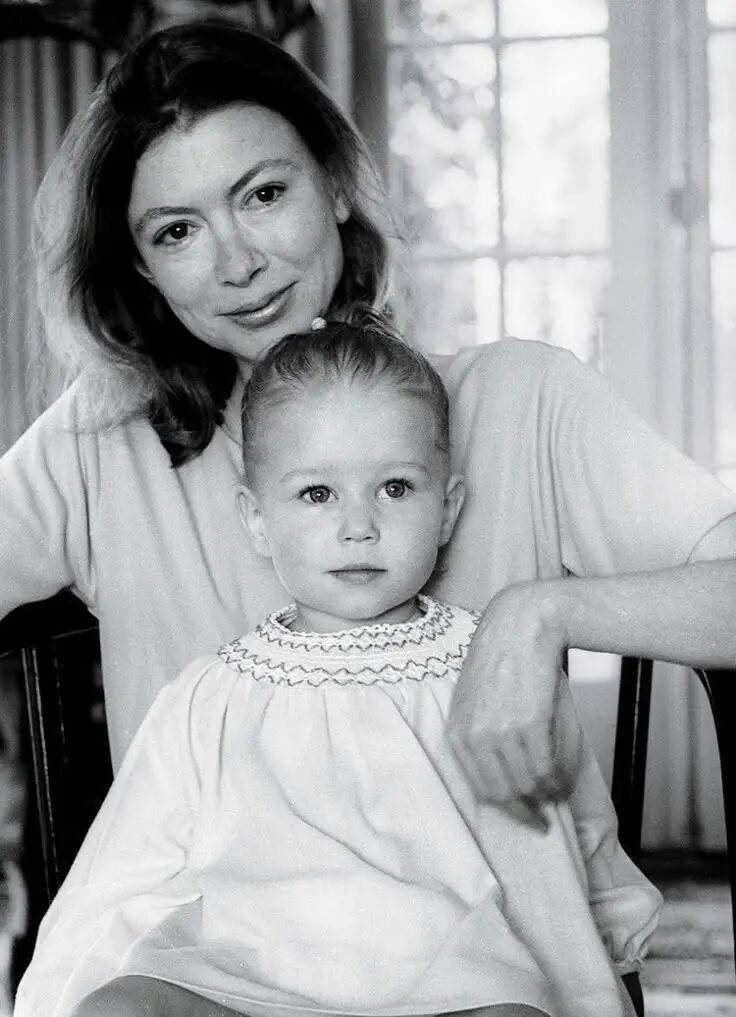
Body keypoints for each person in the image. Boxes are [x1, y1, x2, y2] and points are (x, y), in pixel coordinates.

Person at [1, 21, 735, 825]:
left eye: (264, 194)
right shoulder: (101, 443)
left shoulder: (523, 400)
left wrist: (543, 612)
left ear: (337, 185)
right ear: (142, 267)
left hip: (505, 903)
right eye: (178, 231)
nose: (238, 263)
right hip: (201, 909)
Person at [14, 321, 661, 1017]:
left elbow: (555, 860)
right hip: (243, 981)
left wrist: (592, 986)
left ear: (447, 510)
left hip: (444, 985)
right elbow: (120, 875)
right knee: (120, 1006)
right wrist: (56, 994)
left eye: (395, 488)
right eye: (317, 493)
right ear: (256, 518)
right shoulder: (211, 694)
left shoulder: (484, 673)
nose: (360, 526)